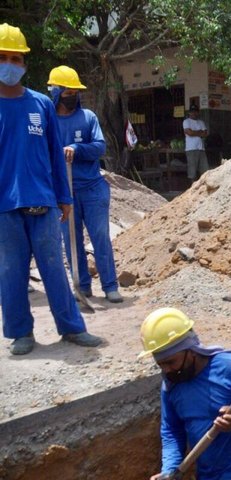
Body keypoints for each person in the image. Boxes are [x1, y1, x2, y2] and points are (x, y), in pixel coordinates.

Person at [0, 23, 103, 355]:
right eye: (3, 57)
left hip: (43, 200)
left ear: (25, 64)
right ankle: (20, 333)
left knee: (54, 269)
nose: (10, 65)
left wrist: (64, 196)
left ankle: (71, 328)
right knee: (11, 272)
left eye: (16, 58)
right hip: (4, 205)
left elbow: (55, 156)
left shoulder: (42, 104)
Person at [139, 308, 231, 480]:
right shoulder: (171, 386)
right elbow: (172, 430)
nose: (166, 370)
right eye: (160, 364)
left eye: (171, 362)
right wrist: (169, 470)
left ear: (190, 350)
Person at [48, 65, 123, 303]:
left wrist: (77, 149)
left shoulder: (88, 117)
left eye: (75, 93)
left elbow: (100, 147)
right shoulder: (48, 122)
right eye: (67, 93)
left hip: (92, 189)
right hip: (63, 192)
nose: (72, 97)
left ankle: (110, 286)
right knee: (71, 241)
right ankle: (82, 285)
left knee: (100, 236)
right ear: (56, 93)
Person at [183, 104, 208, 182]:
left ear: (198, 113)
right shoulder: (186, 121)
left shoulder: (201, 122)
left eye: (195, 112)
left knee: (205, 170)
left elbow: (205, 134)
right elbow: (189, 133)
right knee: (192, 171)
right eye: (192, 112)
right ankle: (192, 189)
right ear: (189, 113)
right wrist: (199, 132)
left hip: (201, 148)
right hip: (191, 149)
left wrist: (194, 132)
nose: (194, 113)